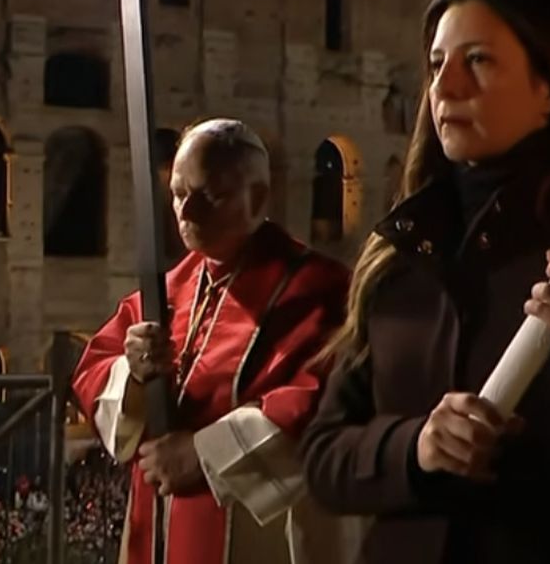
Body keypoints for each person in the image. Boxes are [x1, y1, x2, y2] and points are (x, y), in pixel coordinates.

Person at [300, 0, 550, 564]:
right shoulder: (400, 246)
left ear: (548, 90)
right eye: (436, 65)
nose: (445, 87)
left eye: (477, 61)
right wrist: (416, 447)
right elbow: (325, 456)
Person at [73, 119, 359, 564]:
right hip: (158, 524)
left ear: (258, 198)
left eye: (209, 196)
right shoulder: (166, 292)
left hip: (255, 529)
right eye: (178, 194)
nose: (186, 213)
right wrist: (133, 372)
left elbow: (324, 400)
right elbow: (93, 369)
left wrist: (204, 454)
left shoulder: (320, 289)